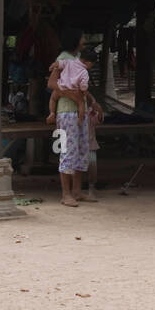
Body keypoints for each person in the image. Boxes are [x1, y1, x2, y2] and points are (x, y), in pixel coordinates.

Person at [48, 28, 100, 207]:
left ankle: (77, 191)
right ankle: (66, 194)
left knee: (81, 150)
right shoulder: (63, 58)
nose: (84, 39)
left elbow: (82, 90)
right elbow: (52, 83)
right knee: (68, 151)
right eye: (83, 36)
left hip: (80, 113)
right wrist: (73, 96)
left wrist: (91, 101)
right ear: (76, 39)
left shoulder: (79, 61)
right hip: (66, 112)